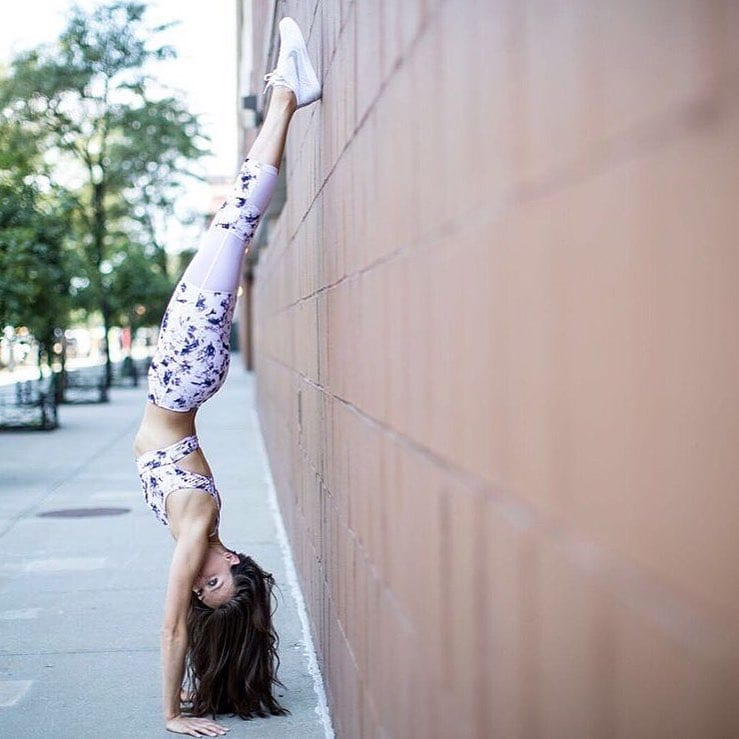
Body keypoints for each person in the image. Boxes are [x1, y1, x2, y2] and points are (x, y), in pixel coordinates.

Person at [133, 17, 321, 737]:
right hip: (183, 374)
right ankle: (286, 95)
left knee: (234, 221)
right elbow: (171, 630)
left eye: (205, 587)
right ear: (235, 561)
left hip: (183, 376)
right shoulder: (204, 527)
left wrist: (185, 702)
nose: (201, 579)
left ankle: (287, 94)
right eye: (218, 580)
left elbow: (179, 626)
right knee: (236, 218)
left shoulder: (197, 535)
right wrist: (171, 713)